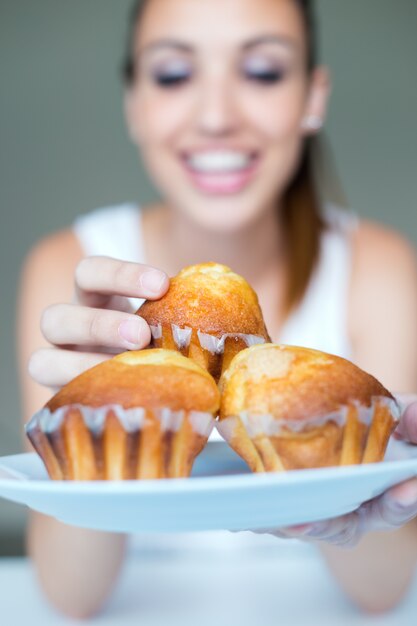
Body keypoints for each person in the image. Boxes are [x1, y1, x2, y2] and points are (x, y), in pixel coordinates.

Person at [17, 0, 417, 619]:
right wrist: (95, 415)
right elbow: (70, 598)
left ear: (313, 96)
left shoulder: (381, 269)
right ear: (134, 104)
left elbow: (383, 591)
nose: (216, 116)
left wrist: (343, 499)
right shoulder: (70, 268)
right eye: (174, 75)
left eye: (262, 71)